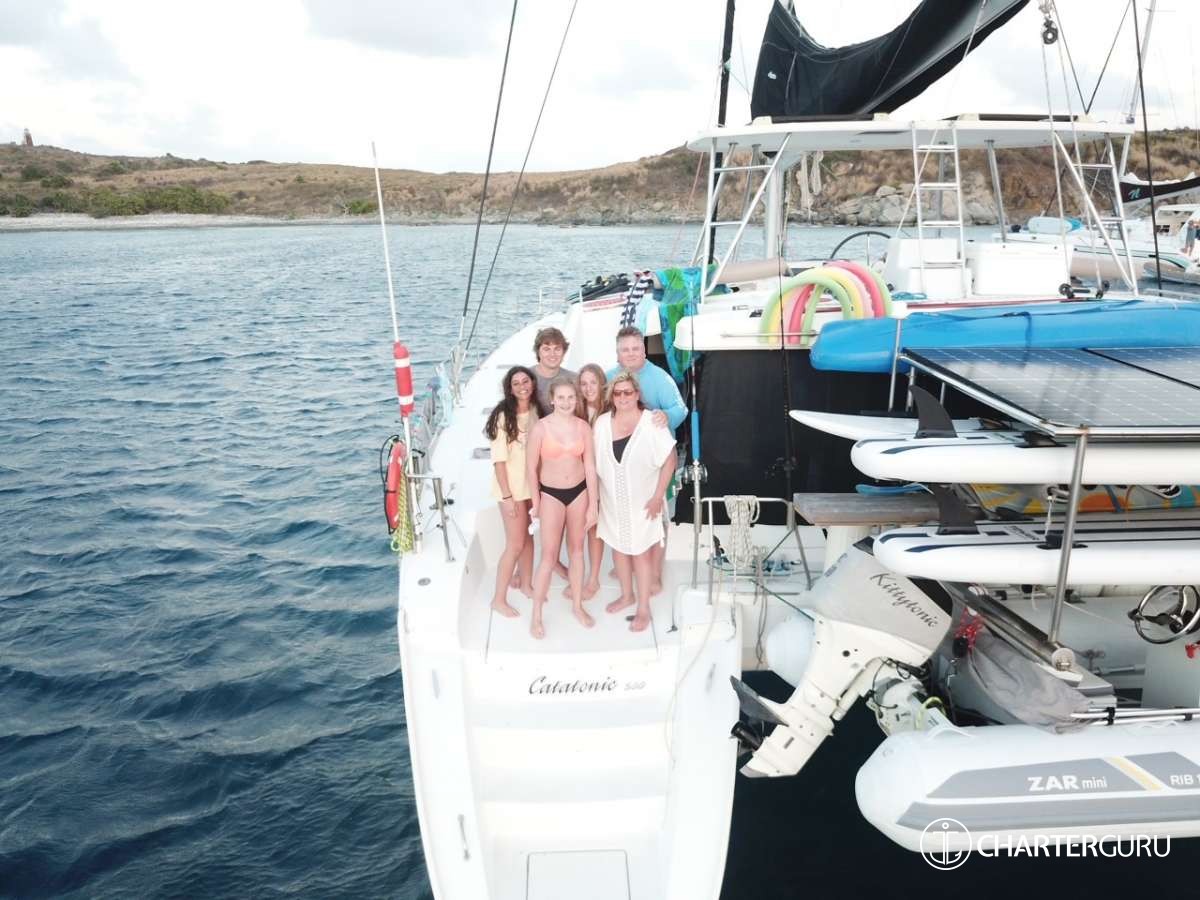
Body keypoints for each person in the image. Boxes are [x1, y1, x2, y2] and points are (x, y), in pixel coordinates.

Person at [593, 371, 677, 632]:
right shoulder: (602, 423)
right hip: (612, 502)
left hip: (644, 503)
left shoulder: (651, 422)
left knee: (640, 554)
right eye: (617, 393)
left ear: (637, 394)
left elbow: (670, 459)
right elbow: (593, 462)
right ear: (612, 396)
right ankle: (627, 595)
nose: (623, 397)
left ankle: (643, 608)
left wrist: (658, 496)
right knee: (618, 549)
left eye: (628, 392)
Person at [605, 325, 687, 592]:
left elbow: (681, 409)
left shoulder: (660, 378)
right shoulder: (610, 377)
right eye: (625, 349)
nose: (630, 354)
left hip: (657, 461)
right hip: (624, 463)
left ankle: (655, 573)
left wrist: (667, 415)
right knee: (626, 514)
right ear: (617, 353)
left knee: (657, 517)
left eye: (636, 348)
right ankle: (627, 563)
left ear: (644, 350)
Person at [527, 375, 598, 639]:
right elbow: (530, 469)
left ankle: (577, 606)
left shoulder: (583, 427)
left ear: (576, 399)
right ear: (552, 400)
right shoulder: (540, 429)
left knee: (577, 552)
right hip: (551, 495)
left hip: (579, 492)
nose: (566, 402)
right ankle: (536, 614)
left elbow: (589, 466)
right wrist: (536, 503)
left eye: (571, 397)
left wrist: (593, 504)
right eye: (561, 398)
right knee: (548, 556)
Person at [483, 366, 540, 617]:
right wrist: (507, 497)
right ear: (509, 388)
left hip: (531, 490)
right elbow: (499, 462)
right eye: (515, 383)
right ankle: (498, 599)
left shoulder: (537, 411)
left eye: (525, 381)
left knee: (529, 539)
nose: (521, 387)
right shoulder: (503, 417)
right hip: (512, 492)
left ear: (533, 383)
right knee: (515, 544)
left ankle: (526, 584)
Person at [573, 364, 608, 600]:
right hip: (581, 478)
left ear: (601, 383)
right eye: (583, 384)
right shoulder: (575, 412)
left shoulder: (611, 410)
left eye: (593, 382)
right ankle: (579, 576)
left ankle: (594, 578)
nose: (588, 388)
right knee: (583, 527)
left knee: (597, 528)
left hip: (605, 477)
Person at [531, 326, 577, 410]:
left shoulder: (574, 379)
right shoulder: (526, 379)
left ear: (564, 352)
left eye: (557, 349)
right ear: (538, 352)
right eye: (546, 349)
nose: (552, 354)